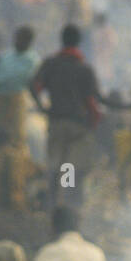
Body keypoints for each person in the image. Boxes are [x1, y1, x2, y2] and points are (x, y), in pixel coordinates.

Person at [31, 24, 101, 207]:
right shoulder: (84, 69)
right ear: (78, 42)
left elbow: (35, 86)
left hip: (56, 121)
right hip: (76, 126)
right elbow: (91, 102)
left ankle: (53, 202)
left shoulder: (51, 64)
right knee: (69, 168)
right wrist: (93, 123)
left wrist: (42, 108)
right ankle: (67, 205)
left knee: (55, 165)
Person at [0, 25, 39, 210]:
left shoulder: (31, 60)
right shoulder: (7, 57)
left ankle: (16, 196)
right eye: (16, 38)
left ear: (28, 41)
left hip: (16, 100)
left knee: (16, 146)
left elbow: (21, 78)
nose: (17, 42)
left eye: (22, 39)